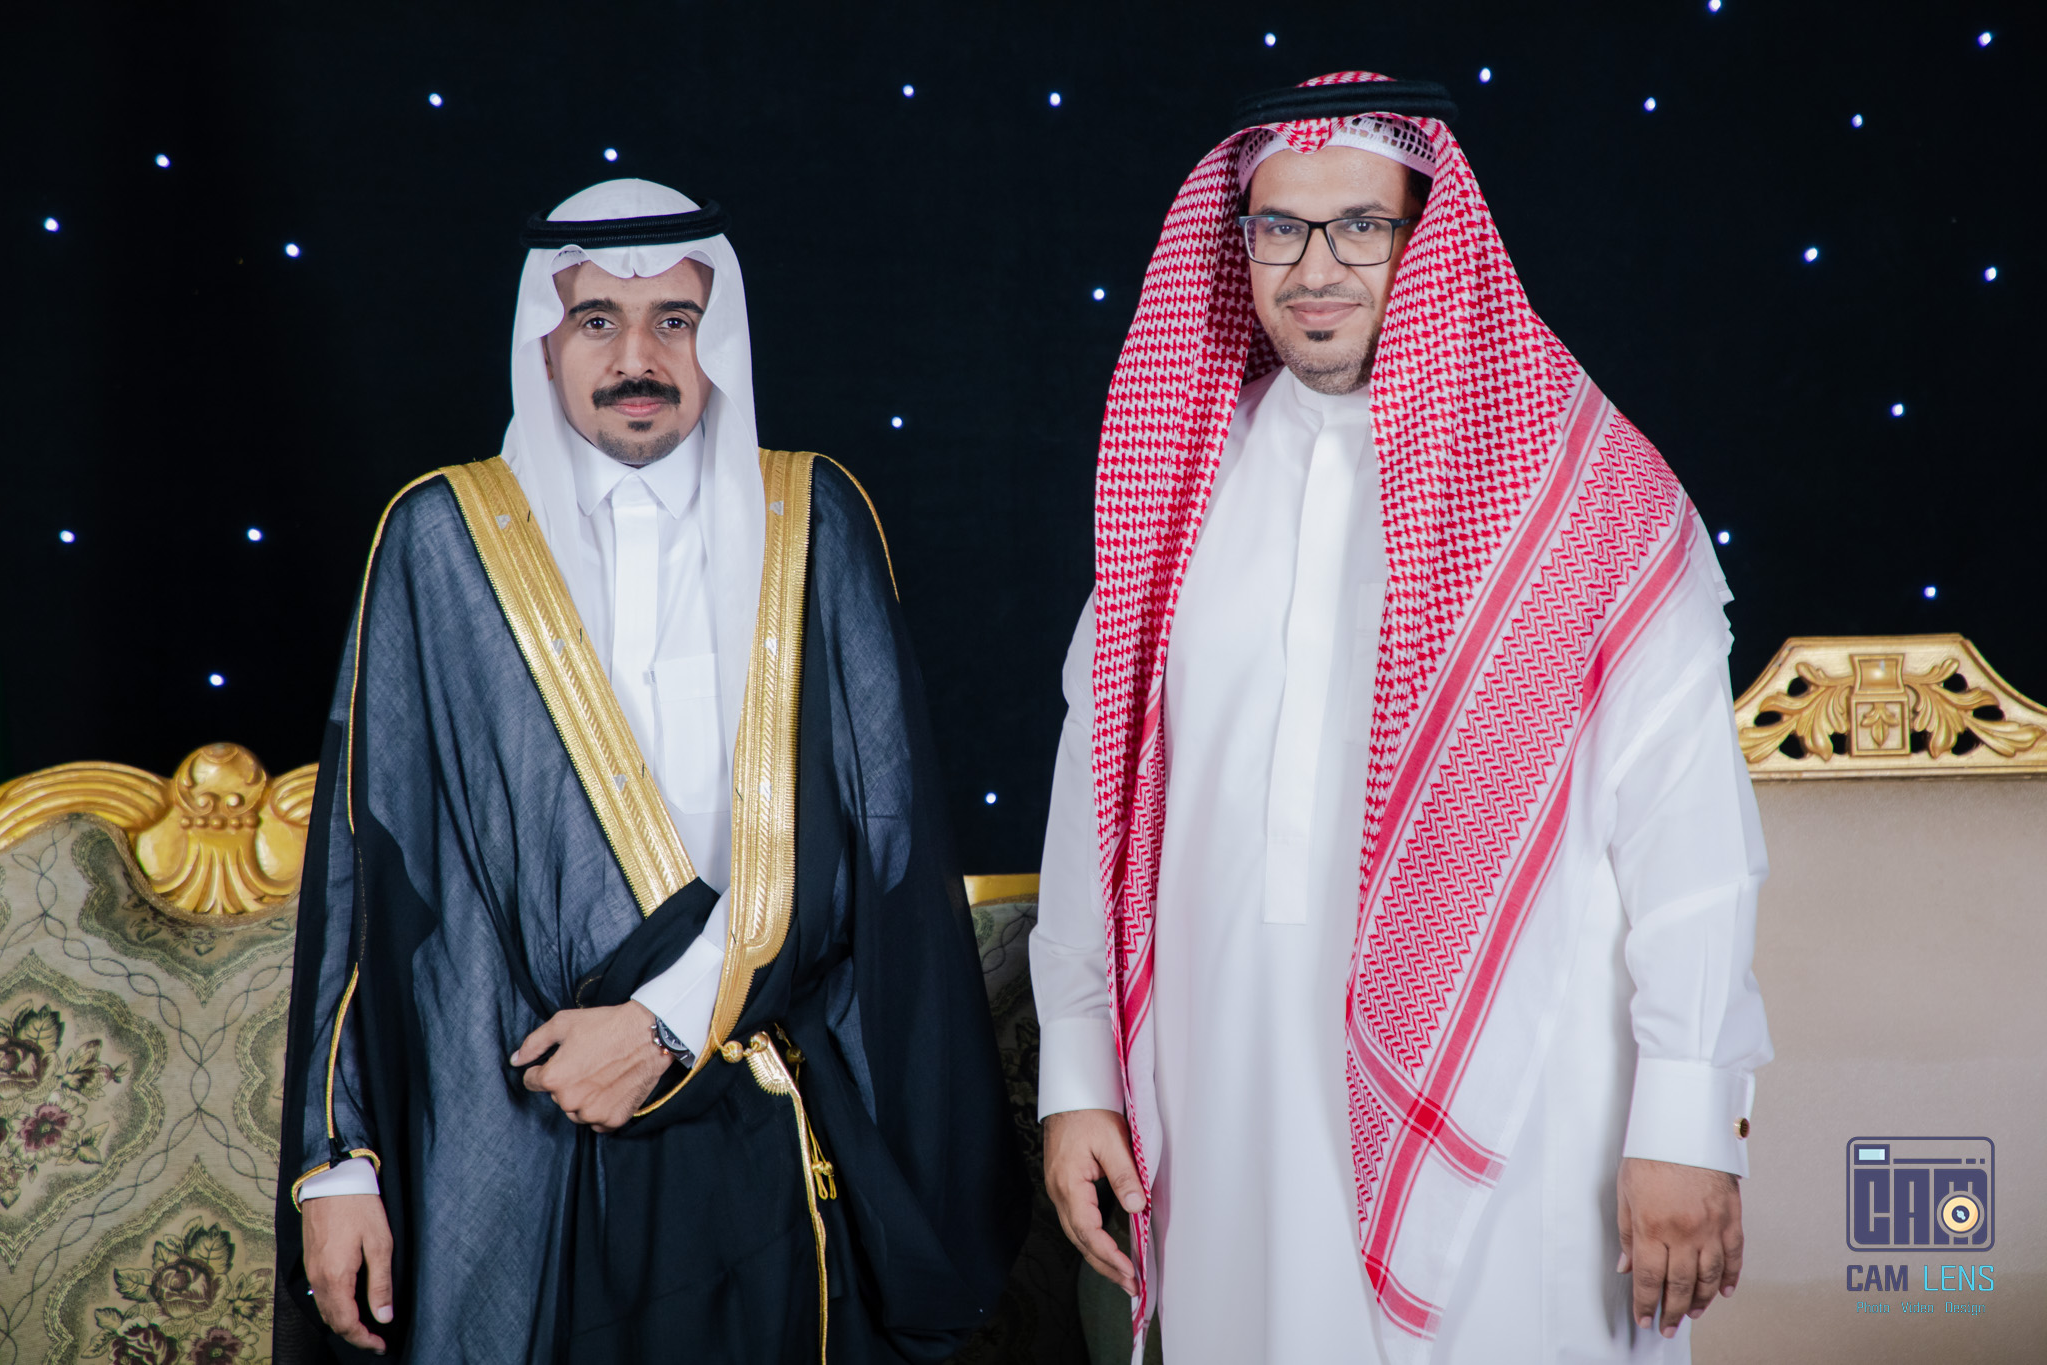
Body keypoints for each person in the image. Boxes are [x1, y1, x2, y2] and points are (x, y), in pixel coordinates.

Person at [1030, 74, 1771, 1364]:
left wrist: (1684, 1117)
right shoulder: (1179, 489)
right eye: (1278, 228)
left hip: (1524, 1121)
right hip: (1225, 1097)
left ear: (1428, 238)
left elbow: (1691, 844)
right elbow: (1093, 808)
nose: (1313, 268)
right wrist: (1079, 1076)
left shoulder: (1581, 491)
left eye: (1359, 226)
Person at [276, 178, 1028, 1364]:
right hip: (510, 1127)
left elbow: (872, 841)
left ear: (715, 337)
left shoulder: (810, 520)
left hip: (759, 1106)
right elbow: (366, 878)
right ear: (545, 338)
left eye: (673, 320)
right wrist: (336, 1166)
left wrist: (665, 1022)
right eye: (598, 321)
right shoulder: (441, 539)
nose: (638, 358)